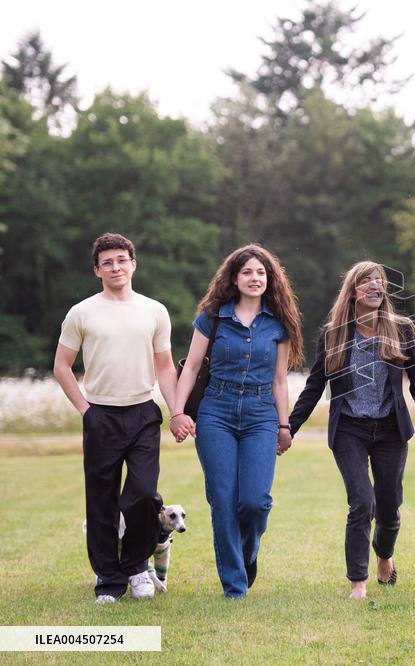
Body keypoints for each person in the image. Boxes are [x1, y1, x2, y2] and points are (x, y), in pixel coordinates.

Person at [287, 261, 415, 600]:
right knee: (361, 502)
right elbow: (314, 385)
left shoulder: (402, 329)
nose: (376, 288)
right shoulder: (334, 333)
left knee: (389, 505)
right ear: (353, 291)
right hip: (349, 429)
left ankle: (385, 556)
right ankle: (358, 582)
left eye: (380, 283)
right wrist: (289, 428)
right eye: (367, 283)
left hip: (391, 431)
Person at [171, 244, 303, 599]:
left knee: (255, 502)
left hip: (261, 414)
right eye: (247, 272)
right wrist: (178, 411)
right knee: (223, 499)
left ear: (270, 278)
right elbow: (193, 367)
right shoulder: (212, 317)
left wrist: (284, 425)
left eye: (261, 272)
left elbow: (279, 380)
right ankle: (235, 586)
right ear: (234, 277)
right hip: (216, 412)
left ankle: (248, 556)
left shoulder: (278, 325)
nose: (254, 278)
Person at [53, 232, 179, 603]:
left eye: (122, 259)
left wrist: (178, 411)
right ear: (97, 270)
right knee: (101, 500)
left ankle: (136, 565)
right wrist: (85, 411)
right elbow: (61, 366)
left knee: (142, 495)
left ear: (133, 264)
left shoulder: (154, 310)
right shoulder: (82, 312)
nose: (116, 266)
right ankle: (109, 579)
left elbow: (166, 367)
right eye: (107, 262)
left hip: (143, 413)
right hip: (100, 415)